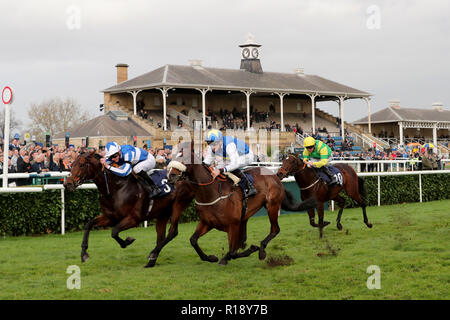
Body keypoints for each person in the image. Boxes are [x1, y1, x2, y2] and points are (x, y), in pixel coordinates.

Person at [203, 129, 257, 197]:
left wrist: (220, 170)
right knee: (219, 167)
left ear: (221, 141)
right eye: (209, 143)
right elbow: (207, 162)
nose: (212, 146)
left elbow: (235, 163)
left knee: (227, 167)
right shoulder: (212, 147)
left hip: (246, 156)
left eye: (214, 144)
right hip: (231, 157)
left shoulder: (229, 145)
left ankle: (249, 186)